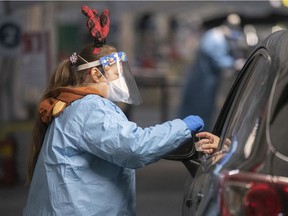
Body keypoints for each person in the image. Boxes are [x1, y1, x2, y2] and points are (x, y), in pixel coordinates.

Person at [23, 5, 215, 216]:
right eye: (116, 74)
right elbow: (134, 147)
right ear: (96, 75)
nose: (120, 81)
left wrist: (173, 142)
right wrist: (182, 127)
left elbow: (115, 144)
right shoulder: (90, 108)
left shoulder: (73, 105)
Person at [178, 13, 246, 131]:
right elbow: (217, 59)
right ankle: (192, 139)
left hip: (207, 83)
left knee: (204, 112)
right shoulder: (214, 38)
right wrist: (234, 63)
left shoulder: (217, 37)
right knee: (197, 113)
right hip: (202, 83)